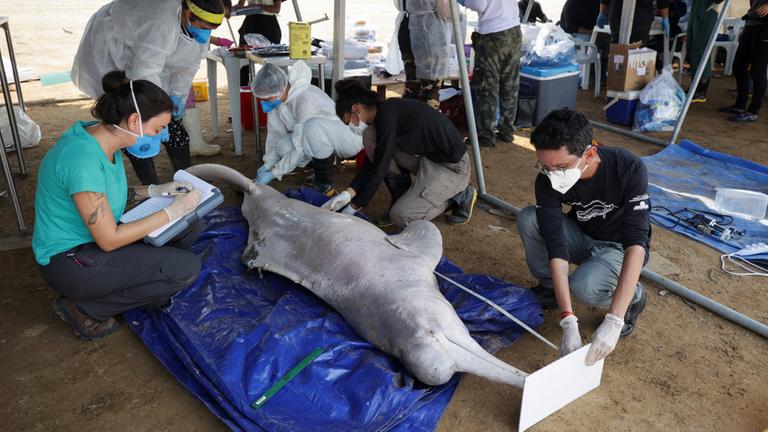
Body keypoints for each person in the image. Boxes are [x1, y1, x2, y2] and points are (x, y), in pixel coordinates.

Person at [33, 71, 203, 341]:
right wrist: (172, 210)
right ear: (134, 120)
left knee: (190, 224)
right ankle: (84, 307)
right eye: (158, 129)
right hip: (71, 261)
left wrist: (156, 190)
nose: (161, 137)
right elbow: (109, 240)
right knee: (185, 269)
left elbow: (106, 195)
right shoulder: (82, 160)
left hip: (91, 243)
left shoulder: (102, 139)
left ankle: (144, 283)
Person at [516, 109, 650, 365]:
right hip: (583, 234)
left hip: (618, 248)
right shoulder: (547, 179)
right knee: (530, 219)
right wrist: (567, 319)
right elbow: (556, 244)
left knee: (584, 286)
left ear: (589, 153)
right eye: (545, 166)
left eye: (561, 167)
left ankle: (635, 297)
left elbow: (637, 244)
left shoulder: (627, 168)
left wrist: (614, 320)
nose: (552, 173)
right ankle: (551, 289)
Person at [71, 0, 224, 185]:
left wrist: (177, 97)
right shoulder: (161, 23)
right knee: (137, 135)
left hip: (150, 64)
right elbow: (146, 71)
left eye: (211, 30)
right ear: (188, 14)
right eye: (203, 28)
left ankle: (187, 180)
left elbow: (189, 64)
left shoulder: (198, 28)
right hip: (115, 50)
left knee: (175, 132)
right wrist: (157, 110)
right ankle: (152, 187)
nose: (206, 34)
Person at [324, 78, 477, 230]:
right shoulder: (384, 114)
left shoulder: (388, 114)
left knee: (401, 217)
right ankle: (402, 197)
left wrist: (355, 205)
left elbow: (381, 166)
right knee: (370, 137)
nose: (350, 126)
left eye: (348, 121)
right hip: (428, 160)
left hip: (452, 168)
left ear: (357, 109)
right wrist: (349, 193)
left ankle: (459, 197)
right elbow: (375, 160)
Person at [252, 62, 363, 195]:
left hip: (348, 137)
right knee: (283, 147)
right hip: (321, 136)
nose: (264, 102)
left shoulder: (305, 99)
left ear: (280, 89)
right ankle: (320, 169)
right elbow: (275, 134)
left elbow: (300, 146)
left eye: (266, 98)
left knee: (311, 132)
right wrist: (268, 164)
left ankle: (324, 183)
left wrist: (275, 172)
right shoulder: (278, 100)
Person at [461, 0, 522, 147]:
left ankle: (486, 135)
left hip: (492, 35)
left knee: (488, 87)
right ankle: (507, 131)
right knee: (510, 84)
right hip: (514, 30)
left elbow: (479, 4)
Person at [392, 0, 452, 109]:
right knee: (431, 87)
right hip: (427, 31)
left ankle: (410, 122)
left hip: (406, 26)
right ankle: (429, 124)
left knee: (412, 84)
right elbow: (443, 11)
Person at [718, 0, 768, 123]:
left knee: (758, 71)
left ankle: (752, 111)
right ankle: (740, 105)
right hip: (752, 23)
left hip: (765, 28)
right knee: (739, 67)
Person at [236, 0, 285, 86]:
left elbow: (276, 9)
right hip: (250, 23)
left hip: (268, 25)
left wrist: (257, 7)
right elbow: (240, 5)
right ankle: (243, 93)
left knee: (271, 63)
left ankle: (271, 92)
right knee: (244, 62)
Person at [597, 0, 670, 43]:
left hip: (623, 14)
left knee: (620, 47)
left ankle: (619, 66)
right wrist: (665, 18)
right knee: (635, 49)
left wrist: (602, 12)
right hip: (633, 15)